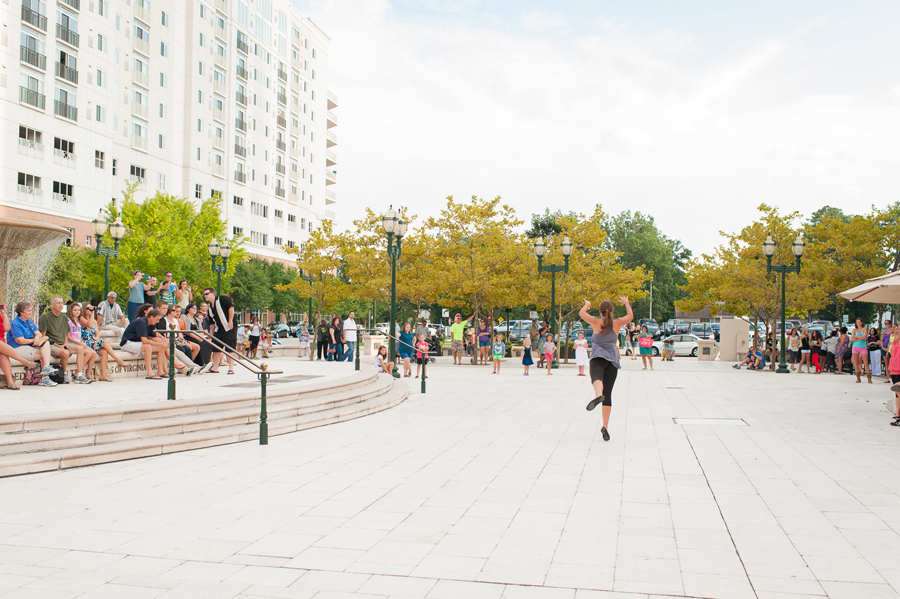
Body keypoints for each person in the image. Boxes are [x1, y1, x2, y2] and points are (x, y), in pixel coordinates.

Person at [581, 297, 633, 442]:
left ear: (600, 311)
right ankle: (605, 426)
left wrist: (587, 305)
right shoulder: (617, 323)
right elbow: (630, 316)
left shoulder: (596, 322)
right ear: (611, 311)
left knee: (596, 377)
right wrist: (627, 303)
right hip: (612, 361)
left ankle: (598, 394)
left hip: (598, 357)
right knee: (608, 394)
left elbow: (581, 313)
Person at [39, 295, 91, 384]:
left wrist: (65, 343)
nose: (60, 305)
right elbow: (43, 336)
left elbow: (66, 333)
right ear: (52, 305)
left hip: (62, 344)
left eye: (62, 303)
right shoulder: (45, 317)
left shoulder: (64, 318)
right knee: (65, 352)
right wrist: (58, 345)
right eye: (58, 303)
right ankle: (63, 373)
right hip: (51, 345)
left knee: (80, 348)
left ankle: (79, 374)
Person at [7, 302, 58, 386]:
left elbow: (38, 333)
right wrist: (34, 340)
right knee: (44, 355)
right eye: (28, 310)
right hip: (18, 348)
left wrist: (37, 338)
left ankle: (45, 371)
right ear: (21, 312)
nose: (30, 312)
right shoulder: (15, 323)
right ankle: (45, 377)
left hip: (29, 347)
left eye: (31, 310)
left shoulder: (29, 322)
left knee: (45, 344)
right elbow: (20, 341)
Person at [78, 302, 126, 381]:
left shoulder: (94, 321)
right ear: (84, 309)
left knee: (104, 352)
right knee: (103, 342)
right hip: (84, 342)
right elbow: (88, 324)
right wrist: (93, 312)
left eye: (91, 308)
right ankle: (118, 359)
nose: (90, 310)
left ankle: (102, 375)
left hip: (92, 341)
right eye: (88, 308)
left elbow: (97, 333)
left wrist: (96, 337)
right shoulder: (81, 318)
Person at [0, 303, 42, 389]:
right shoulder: (16, 322)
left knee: (3, 354)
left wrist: (4, 314)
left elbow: (6, 329)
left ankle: (10, 382)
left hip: (2, 344)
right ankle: (24, 361)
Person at [119, 308, 169, 379]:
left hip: (137, 343)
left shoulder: (152, 323)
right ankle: (149, 373)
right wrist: (161, 344)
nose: (158, 322)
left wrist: (166, 344)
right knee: (147, 346)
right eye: (157, 319)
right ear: (151, 317)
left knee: (161, 348)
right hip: (127, 343)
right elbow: (144, 341)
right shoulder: (141, 322)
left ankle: (160, 371)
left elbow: (154, 338)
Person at [203, 288, 236, 374]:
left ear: (213, 293)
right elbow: (212, 322)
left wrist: (230, 321)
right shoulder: (210, 307)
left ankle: (231, 368)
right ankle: (215, 367)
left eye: (207, 293)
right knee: (216, 347)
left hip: (229, 327)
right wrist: (211, 334)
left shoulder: (222, 299)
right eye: (204, 294)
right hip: (219, 328)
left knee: (230, 347)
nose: (205, 296)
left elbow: (231, 308)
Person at [65, 303, 98, 382]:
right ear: (71, 311)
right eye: (75, 310)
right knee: (88, 352)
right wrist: (81, 344)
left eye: (79, 310)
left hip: (78, 343)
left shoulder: (78, 322)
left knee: (93, 353)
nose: (77, 312)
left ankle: (79, 373)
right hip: (71, 344)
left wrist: (81, 342)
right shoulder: (69, 321)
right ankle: (79, 373)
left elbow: (78, 336)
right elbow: (69, 337)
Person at [183, 303, 214, 370]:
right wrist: (198, 338)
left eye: (195, 308)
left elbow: (201, 330)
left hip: (197, 336)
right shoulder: (185, 317)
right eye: (193, 308)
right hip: (188, 337)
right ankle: (200, 363)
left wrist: (201, 336)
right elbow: (187, 331)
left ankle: (207, 362)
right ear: (188, 309)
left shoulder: (196, 319)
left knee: (207, 343)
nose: (195, 310)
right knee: (199, 343)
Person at [850, 317, 870, 383]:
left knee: (866, 363)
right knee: (856, 363)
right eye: (857, 322)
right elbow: (852, 339)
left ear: (862, 322)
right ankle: (858, 378)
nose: (858, 323)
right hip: (855, 347)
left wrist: (856, 337)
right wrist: (860, 338)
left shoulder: (864, 329)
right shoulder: (854, 330)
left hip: (863, 347)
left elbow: (864, 337)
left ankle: (869, 378)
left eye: (859, 322)